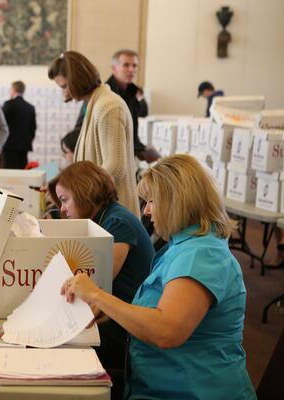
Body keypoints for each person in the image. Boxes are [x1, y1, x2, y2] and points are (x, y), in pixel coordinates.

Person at [61, 154, 256, 400]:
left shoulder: (201, 255)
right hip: (160, 385)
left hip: (190, 392)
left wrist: (98, 296)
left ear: (178, 202)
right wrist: (108, 308)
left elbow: (167, 330)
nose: (147, 210)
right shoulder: (184, 246)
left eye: (152, 201)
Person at [48, 161, 154, 390]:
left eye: (65, 200)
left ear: (84, 191)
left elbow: (97, 285)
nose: (62, 209)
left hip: (125, 325)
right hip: (118, 315)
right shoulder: (106, 218)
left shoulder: (117, 222)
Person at [48, 51, 140, 217]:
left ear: (76, 80)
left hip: (116, 214)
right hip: (105, 210)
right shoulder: (95, 103)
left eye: (64, 86)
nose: (64, 93)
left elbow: (115, 167)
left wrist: (74, 192)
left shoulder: (108, 106)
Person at [107, 49, 159, 163]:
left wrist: (142, 150)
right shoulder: (104, 93)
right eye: (126, 65)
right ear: (114, 68)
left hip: (128, 156)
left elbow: (142, 115)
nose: (131, 70)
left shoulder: (133, 92)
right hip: (108, 158)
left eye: (134, 66)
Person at [2, 81, 36, 169]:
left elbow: (1, 125)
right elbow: (33, 128)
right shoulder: (30, 107)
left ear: (13, 90)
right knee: (22, 171)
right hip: (24, 146)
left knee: (8, 172)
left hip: (8, 146)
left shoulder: (8, 104)